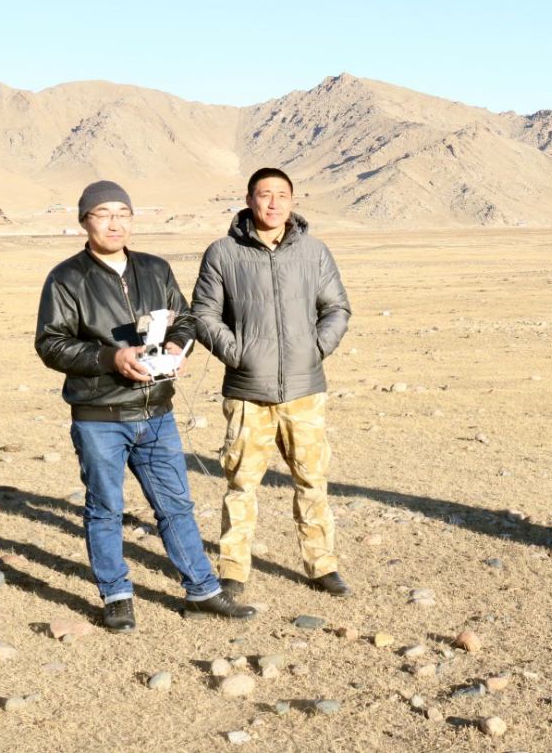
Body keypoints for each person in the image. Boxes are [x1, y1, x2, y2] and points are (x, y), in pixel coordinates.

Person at [35, 180, 256, 632]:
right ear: (85, 222)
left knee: (176, 506)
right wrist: (109, 357)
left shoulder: (155, 269)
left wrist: (177, 347)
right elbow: (51, 344)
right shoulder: (66, 278)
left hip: (157, 413)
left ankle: (202, 591)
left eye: (122, 213)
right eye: (103, 214)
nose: (114, 222)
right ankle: (116, 595)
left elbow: (187, 316)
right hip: (100, 416)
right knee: (105, 508)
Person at [192, 168, 352, 598]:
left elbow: (336, 308)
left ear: (293, 201)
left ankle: (322, 566)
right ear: (248, 199)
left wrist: (315, 349)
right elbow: (204, 314)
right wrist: (237, 353)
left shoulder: (314, 252)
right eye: (265, 195)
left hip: (304, 390)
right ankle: (233, 570)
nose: (273, 203)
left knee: (312, 480)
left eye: (282, 195)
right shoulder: (222, 253)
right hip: (247, 391)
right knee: (241, 484)